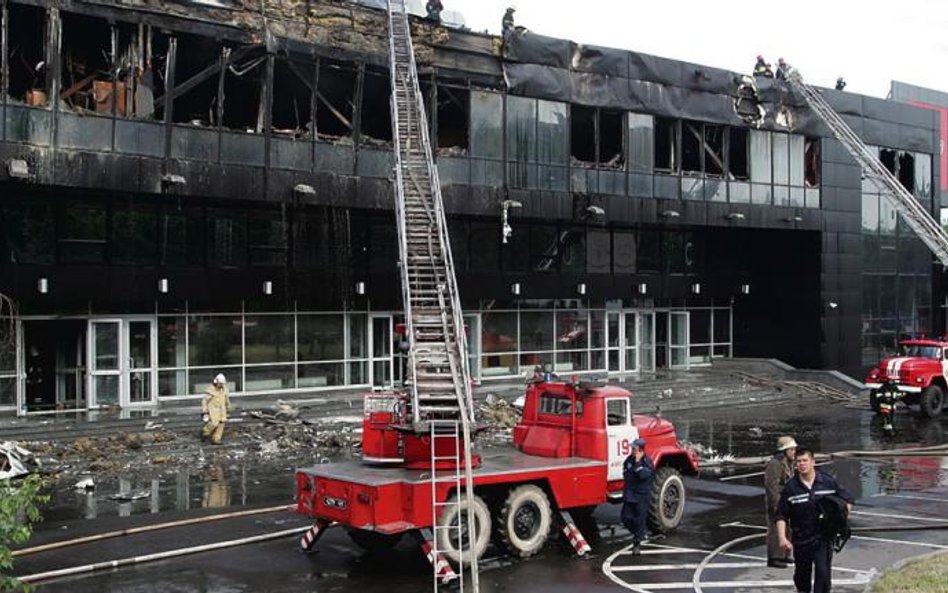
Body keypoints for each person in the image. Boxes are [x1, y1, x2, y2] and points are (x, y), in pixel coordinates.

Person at [775, 448, 854, 593]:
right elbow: (781, 515)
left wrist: (841, 518)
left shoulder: (828, 482)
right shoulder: (791, 488)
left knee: (823, 574)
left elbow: (848, 499)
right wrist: (782, 538)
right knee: (802, 577)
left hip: (824, 538)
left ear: (813, 462)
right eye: (798, 461)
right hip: (801, 539)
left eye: (805, 460)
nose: (802, 464)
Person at [765, 435, 798, 568]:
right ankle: (774, 557)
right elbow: (771, 486)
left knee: (787, 528)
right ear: (784, 450)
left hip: (787, 500)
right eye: (792, 449)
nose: (794, 452)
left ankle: (784, 555)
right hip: (777, 501)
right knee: (775, 530)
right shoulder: (775, 464)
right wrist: (776, 505)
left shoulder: (788, 462)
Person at [621, 438, 655, 556]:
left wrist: (638, 462)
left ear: (640, 450)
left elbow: (642, 475)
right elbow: (625, 472)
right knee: (625, 518)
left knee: (639, 520)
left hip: (641, 496)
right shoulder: (629, 460)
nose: (632, 450)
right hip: (630, 495)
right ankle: (639, 533)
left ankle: (637, 544)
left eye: (634, 448)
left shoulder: (647, 462)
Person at [201, 373, 232, 445]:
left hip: (222, 410)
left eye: (222, 384)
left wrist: (228, 408)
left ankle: (216, 439)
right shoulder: (211, 391)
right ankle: (205, 431)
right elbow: (204, 401)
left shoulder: (224, 390)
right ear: (216, 382)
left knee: (221, 425)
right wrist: (205, 410)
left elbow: (226, 400)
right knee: (214, 423)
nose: (221, 385)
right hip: (213, 410)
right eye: (220, 383)